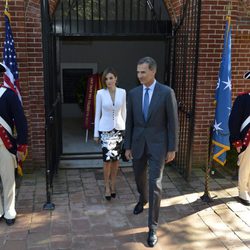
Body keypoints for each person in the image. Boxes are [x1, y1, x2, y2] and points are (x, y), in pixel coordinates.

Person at [124, 57, 179, 247]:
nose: (139, 75)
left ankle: (152, 228)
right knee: (139, 179)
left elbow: (173, 123)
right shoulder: (133, 94)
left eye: (143, 72)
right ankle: (142, 198)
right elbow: (129, 122)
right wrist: (128, 145)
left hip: (158, 145)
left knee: (155, 183)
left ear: (153, 72)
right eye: (138, 72)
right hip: (138, 144)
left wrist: (172, 147)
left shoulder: (166, 93)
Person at [0, 63, 28, 225]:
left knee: (8, 178)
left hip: (4, 143)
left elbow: (21, 121)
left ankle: (9, 210)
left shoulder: (8, 94)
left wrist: (22, 144)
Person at [94, 67, 126, 201]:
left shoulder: (123, 92)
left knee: (116, 160)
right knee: (107, 160)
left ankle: (113, 184)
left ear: (116, 78)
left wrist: (126, 131)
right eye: (106, 79)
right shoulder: (100, 93)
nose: (108, 81)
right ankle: (106, 186)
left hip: (119, 130)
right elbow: (97, 114)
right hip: (105, 131)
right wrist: (96, 133)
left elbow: (124, 112)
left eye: (111, 78)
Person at [229, 71, 250, 206]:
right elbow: (234, 121)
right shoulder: (243, 99)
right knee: (246, 167)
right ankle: (243, 191)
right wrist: (236, 140)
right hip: (247, 140)